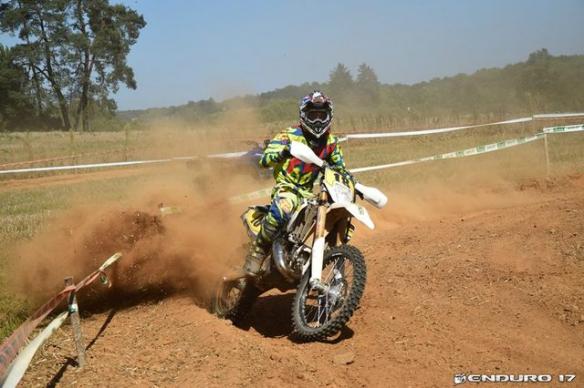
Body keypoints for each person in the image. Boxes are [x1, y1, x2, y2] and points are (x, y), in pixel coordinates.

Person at [243, 90, 349, 276]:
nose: (317, 120)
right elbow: (264, 161)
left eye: (321, 115)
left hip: (310, 194)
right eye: (312, 115)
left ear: (329, 116)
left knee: (337, 216)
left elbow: (340, 169)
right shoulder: (289, 135)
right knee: (284, 206)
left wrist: (352, 182)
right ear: (303, 115)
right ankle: (258, 251)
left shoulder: (331, 142)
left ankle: (321, 266)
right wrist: (284, 152)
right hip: (287, 188)